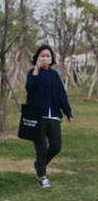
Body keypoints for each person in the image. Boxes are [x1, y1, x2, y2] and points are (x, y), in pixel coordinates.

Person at [26, 45, 73, 188]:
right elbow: (30, 88)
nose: (45, 58)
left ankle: (38, 165)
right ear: (37, 58)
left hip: (53, 116)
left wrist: (67, 112)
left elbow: (61, 95)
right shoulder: (32, 73)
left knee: (56, 146)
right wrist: (36, 69)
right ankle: (42, 176)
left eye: (48, 55)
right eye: (42, 55)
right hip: (38, 116)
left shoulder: (54, 75)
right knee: (41, 147)